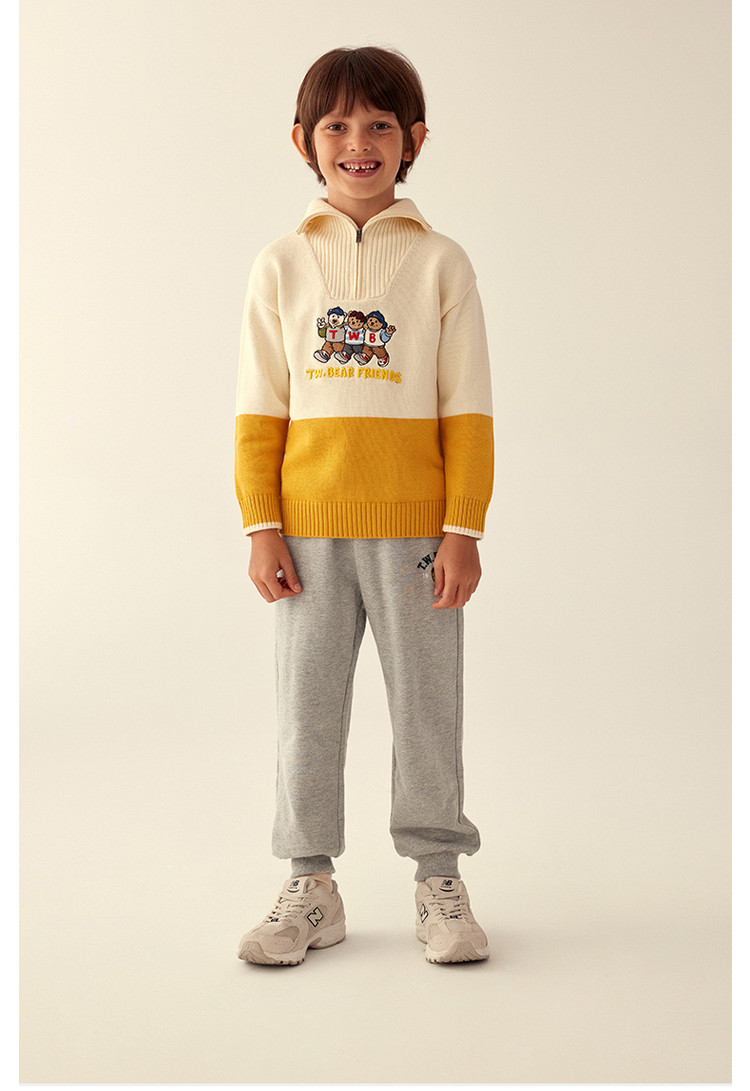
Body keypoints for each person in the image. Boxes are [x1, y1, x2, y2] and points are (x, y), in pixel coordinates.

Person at [234, 45, 494, 966]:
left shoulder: (441, 263)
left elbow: (468, 407)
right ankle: (310, 884)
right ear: (303, 141)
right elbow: (259, 407)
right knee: (307, 711)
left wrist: (462, 527)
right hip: (306, 533)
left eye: (379, 124)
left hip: (418, 531)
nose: (358, 142)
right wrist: (261, 523)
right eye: (337, 125)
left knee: (427, 707)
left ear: (413, 139)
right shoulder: (280, 264)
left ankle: (438, 879)